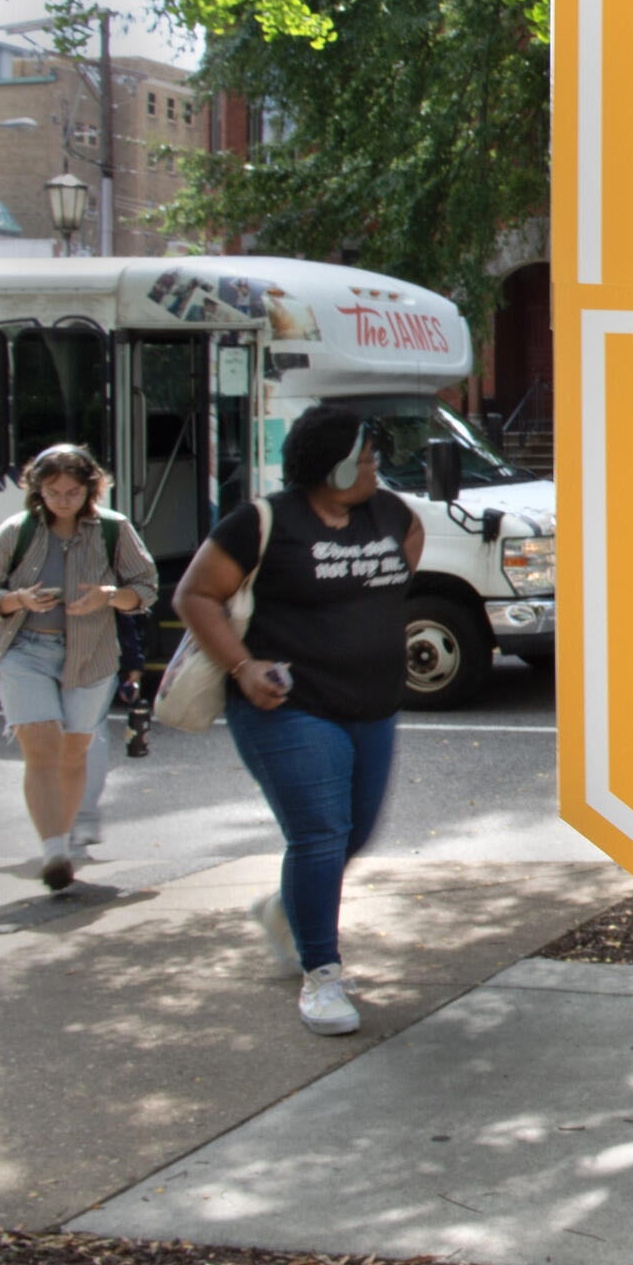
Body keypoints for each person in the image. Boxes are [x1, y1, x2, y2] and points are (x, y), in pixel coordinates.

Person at [176, 407, 425, 1036]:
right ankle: (322, 977)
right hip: (290, 709)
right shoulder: (263, 522)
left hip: (373, 706)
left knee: (354, 835)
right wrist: (242, 666)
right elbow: (195, 595)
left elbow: (403, 564)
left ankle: (285, 909)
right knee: (318, 834)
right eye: (366, 459)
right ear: (333, 466)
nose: (376, 468)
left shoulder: (391, 514)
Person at [0, 445, 159, 892]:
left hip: (91, 651)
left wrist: (108, 595)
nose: (63, 500)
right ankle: (53, 849)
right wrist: (19, 600)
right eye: (53, 492)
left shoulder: (115, 529)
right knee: (43, 748)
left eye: (73, 491)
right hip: (25, 650)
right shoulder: (14, 532)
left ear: (91, 489)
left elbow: (145, 590)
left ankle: (67, 840)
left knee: (74, 751)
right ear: (38, 491)